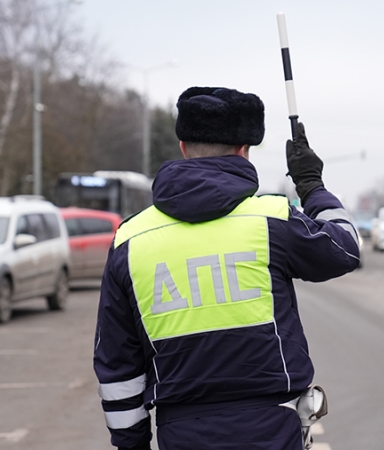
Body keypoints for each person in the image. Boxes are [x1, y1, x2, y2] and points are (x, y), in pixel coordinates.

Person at [93, 86, 360, 450]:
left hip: (181, 433)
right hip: (272, 431)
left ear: (184, 147)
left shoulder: (129, 240)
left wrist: (132, 443)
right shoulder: (272, 220)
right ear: (244, 151)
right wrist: (312, 186)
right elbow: (346, 247)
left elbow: (117, 365)